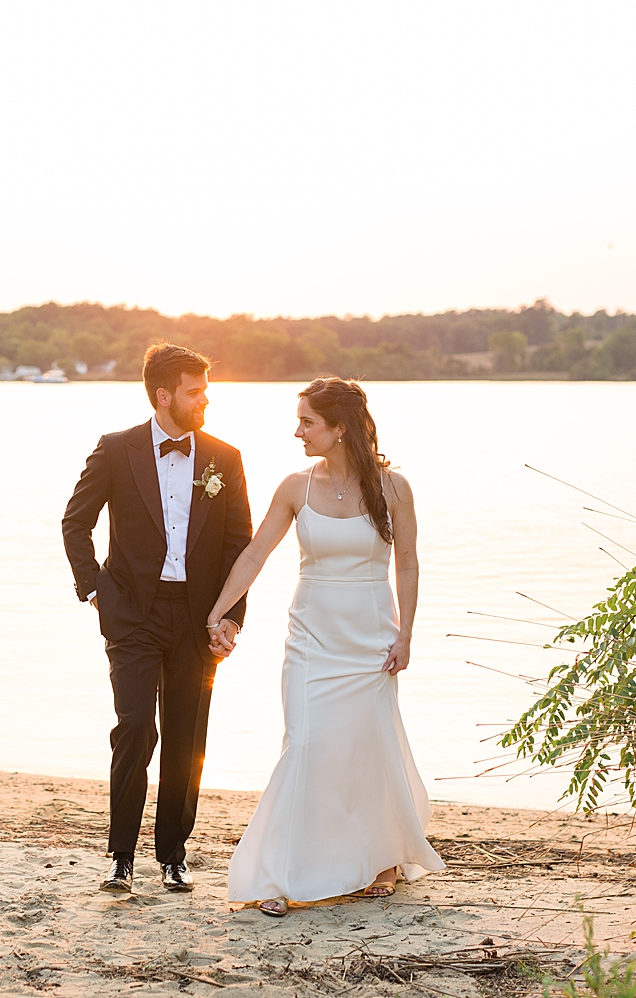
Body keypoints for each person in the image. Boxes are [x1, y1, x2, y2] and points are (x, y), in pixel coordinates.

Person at [207, 377, 444, 916]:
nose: (298, 432)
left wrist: (406, 634)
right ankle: (282, 872)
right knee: (307, 746)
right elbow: (254, 554)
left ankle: (381, 858)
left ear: (339, 428)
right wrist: (219, 610)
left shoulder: (394, 487)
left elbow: (406, 561)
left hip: (371, 639)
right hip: (311, 640)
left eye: (308, 422)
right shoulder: (295, 486)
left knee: (368, 748)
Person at [62, 343, 253, 893]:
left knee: (186, 737)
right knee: (136, 729)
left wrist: (230, 616)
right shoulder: (116, 449)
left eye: (206, 389)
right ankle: (121, 855)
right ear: (163, 394)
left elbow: (239, 543)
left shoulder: (225, 457)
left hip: (198, 618)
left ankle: (173, 853)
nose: (205, 400)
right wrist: (94, 591)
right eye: (196, 392)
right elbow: (76, 524)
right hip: (132, 616)